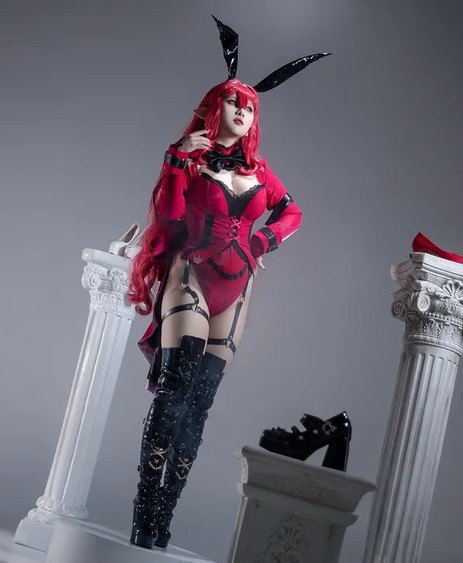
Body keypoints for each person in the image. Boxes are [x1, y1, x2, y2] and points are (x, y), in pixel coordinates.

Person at [126, 16, 329, 550]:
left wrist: (263, 243)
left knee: (199, 405)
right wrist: (175, 157)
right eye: (234, 102)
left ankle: (163, 519)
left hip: (236, 289)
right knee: (174, 392)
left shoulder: (261, 172)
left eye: (250, 107)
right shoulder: (189, 161)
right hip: (190, 274)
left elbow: (293, 213)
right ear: (215, 106)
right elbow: (171, 216)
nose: (242, 111)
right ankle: (143, 514)